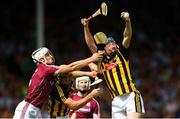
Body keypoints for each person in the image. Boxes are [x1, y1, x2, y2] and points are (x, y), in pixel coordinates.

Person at [81, 12, 145, 119]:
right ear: (104, 49)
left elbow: (127, 36)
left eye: (113, 43)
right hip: (116, 101)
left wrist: (128, 21)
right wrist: (86, 27)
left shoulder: (122, 54)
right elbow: (91, 44)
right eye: (109, 44)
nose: (112, 45)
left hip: (131, 96)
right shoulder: (101, 60)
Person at [13, 47, 103, 119]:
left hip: (37, 110)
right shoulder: (45, 69)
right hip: (28, 108)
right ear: (41, 59)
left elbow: (70, 72)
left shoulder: (49, 72)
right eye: (47, 55)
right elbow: (71, 67)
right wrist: (91, 59)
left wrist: (89, 73)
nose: (51, 56)